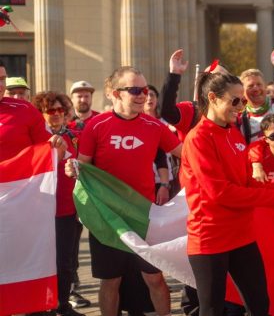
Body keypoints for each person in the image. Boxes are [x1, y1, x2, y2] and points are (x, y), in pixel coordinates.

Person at [180, 69, 274, 316]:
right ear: (212, 98)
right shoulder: (198, 139)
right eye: (235, 101)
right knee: (212, 310)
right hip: (210, 237)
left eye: (243, 101)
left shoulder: (233, 133)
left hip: (241, 233)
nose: (241, 107)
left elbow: (247, 182)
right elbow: (221, 192)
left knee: (260, 304)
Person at [67, 66, 182, 316]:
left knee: (154, 278)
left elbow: (187, 154)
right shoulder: (96, 125)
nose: (143, 96)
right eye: (135, 90)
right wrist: (71, 168)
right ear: (115, 93)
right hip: (108, 218)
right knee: (111, 281)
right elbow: (82, 168)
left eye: (144, 90)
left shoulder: (154, 126)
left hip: (144, 216)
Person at [34, 90, 84, 316]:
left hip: (66, 209)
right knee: (41, 261)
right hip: (39, 210)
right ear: (41, 113)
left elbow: (83, 166)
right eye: (50, 110)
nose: (56, 114)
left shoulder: (74, 137)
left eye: (60, 110)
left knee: (65, 261)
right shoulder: (35, 137)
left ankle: (62, 304)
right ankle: (40, 306)